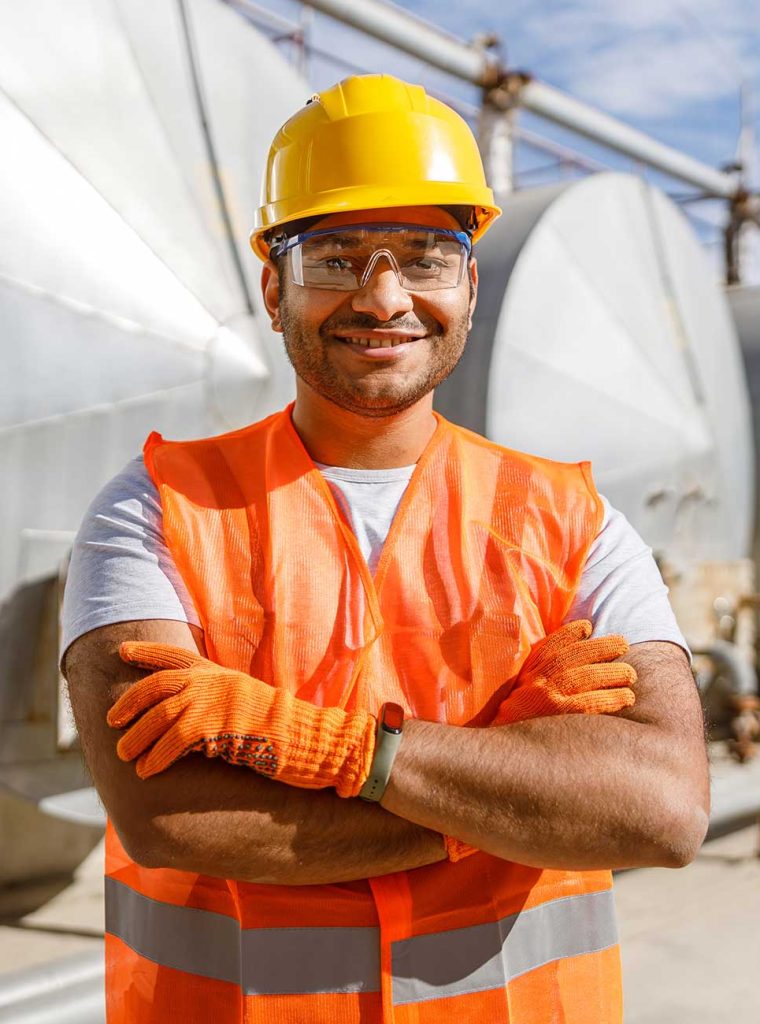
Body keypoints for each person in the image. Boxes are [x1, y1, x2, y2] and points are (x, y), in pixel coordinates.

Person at [63, 74, 709, 1023]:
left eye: (424, 255)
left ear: (469, 283)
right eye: (334, 255)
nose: (383, 296)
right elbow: (174, 820)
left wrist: (338, 750)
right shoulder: (154, 511)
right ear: (273, 283)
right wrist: (515, 787)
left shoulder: (573, 521)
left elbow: (662, 812)